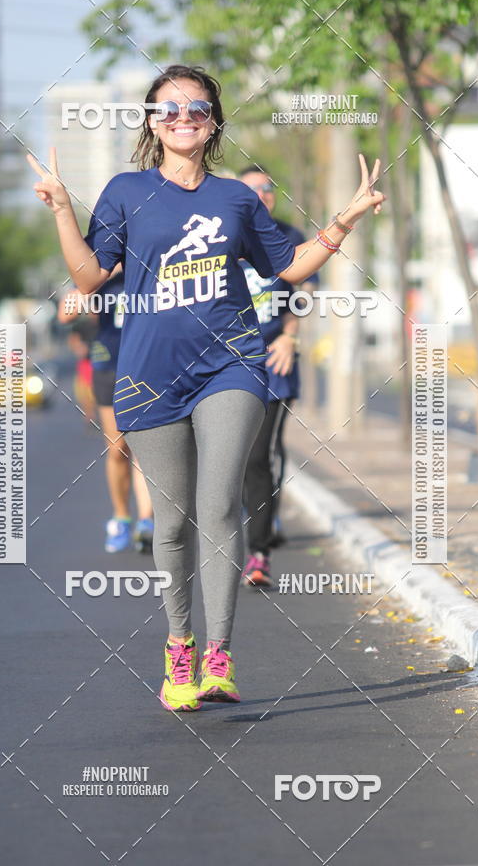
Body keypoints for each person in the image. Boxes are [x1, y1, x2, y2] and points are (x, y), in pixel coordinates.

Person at [27, 63, 385, 712]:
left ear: (213, 123)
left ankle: (219, 654)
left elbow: (290, 267)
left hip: (232, 364)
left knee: (218, 503)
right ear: (152, 122)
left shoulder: (236, 200)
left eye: (196, 108)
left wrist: (346, 219)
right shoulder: (126, 192)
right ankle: (179, 647)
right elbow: (88, 278)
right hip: (149, 374)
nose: (183, 117)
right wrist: (60, 210)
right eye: (169, 108)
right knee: (172, 520)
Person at [239, 166, 315, 585]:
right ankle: (256, 515)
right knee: (233, 457)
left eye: (268, 187)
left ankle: (259, 552)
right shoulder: (223, 235)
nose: (263, 194)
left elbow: (304, 293)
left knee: (260, 455)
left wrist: (290, 336)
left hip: (274, 363)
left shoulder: (290, 237)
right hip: (226, 364)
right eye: (253, 188)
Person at [59, 268, 154, 553]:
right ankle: (122, 516)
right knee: (117, 449)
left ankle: (146, 521)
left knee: (144, 447)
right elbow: (65, 315)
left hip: (146, 366)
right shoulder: (99, 271)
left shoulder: (147, 264)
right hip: (108, 367)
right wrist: (96, 280)